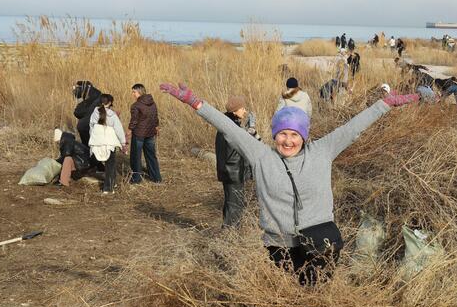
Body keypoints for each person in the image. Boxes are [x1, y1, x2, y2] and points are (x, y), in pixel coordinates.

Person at [159, 82, 419, 285]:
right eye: (282, 134)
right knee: (288, 299)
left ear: (303, 136)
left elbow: (353, 128)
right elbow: (230, 130)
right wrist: (196, 103)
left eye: (294, 134)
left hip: (320, 243)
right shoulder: (261, 156)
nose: (288, 140)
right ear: (274, 135)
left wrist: (384, 104)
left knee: (316, 296)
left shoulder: (322, 151)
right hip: (279, 246)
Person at [217, 96, 255, 227]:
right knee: (235, 205)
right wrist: (250, 131)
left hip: (230, 171)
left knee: (231, 203)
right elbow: (243, 146)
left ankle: (229, 231)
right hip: (233, 172)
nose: (245, 111)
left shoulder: (227, 124)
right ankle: (230, 235)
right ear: (234, 111)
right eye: (242, 108)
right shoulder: (231, 127)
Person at [88, 94, 127, 194]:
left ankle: (111, 184)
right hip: (110, 144)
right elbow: (119, 130)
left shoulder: (94, 113)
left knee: (106, 165)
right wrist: (123, 143)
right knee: (110, 165)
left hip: (97, 142)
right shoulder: (112, 115)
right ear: (110, 103)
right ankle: (108, 188)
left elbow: (91, 128)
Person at [128, 84, 162, 184]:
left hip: (139, 134)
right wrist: (156, 127)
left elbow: (134, 121)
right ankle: (156, 178)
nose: (133, 94)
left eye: (134, 92)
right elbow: (155, 117)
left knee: (136, 156)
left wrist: (129, 130)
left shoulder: (136, 105)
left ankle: (136, 179)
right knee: (151, 156)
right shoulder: (153, 103)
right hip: (150, 133)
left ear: (139, 92)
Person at [72, 80, 103, 146]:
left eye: (78, 89)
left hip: (89, 130)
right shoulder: (95, 96)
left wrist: (80, 103)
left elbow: (78, 113)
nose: (75, 91)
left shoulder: (93, 99)